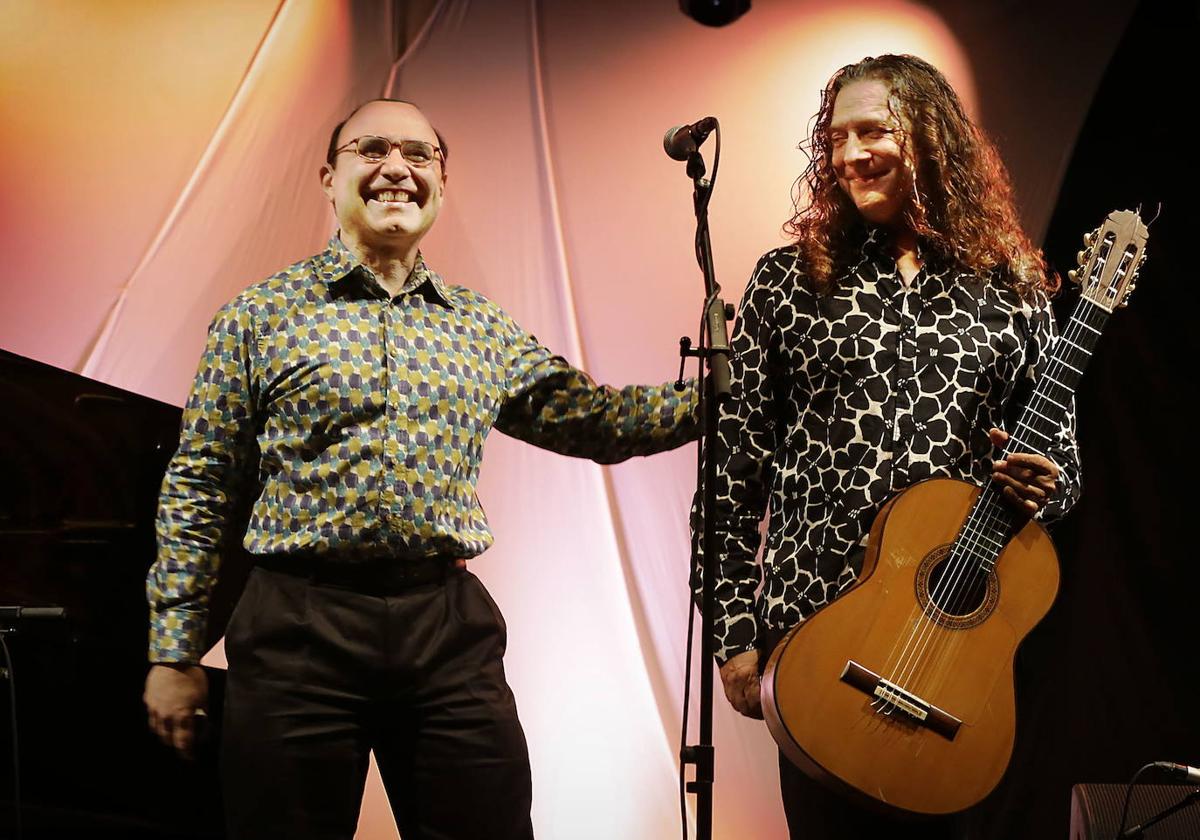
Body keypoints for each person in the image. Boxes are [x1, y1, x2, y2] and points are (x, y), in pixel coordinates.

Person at [142, 98, 698, 840]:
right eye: (371, 150)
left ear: (442, 178)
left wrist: (728, 394)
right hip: (297, 628)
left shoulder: (479, 326)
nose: (396, 169)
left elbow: (592, 419)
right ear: (329, 176)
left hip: (445, 627)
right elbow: (200, 485)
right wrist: (173, 652)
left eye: (418, 154)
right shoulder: (258, 316)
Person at [703, 55, 1080, 839]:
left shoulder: (1010, 288)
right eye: (835, 138)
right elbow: (732, 472)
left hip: (947, 660)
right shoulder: (790, 281)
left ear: (932, 140)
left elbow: (1065, 467)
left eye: (871, 131)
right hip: (819, 650)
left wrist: (1046, 479)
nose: (848, 156)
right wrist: (735, 635)